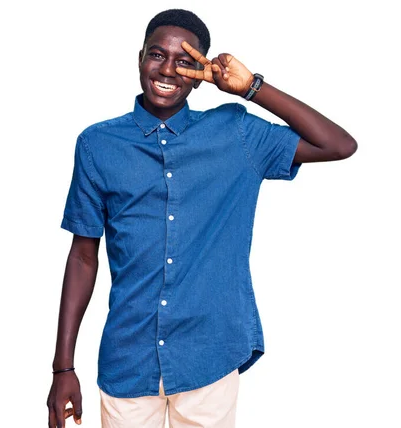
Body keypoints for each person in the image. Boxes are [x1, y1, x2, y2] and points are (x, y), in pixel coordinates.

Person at [47, 8, 357, 428]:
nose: (168, 69)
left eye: (185, 61)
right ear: (139, 58)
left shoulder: (237, 134)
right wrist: (63, 368)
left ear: (201, 72)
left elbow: (338, 144)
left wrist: (251, 88)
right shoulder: (98, 144)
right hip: (127, 359)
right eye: (157, 55)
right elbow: (83, 256)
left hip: (209, 356)